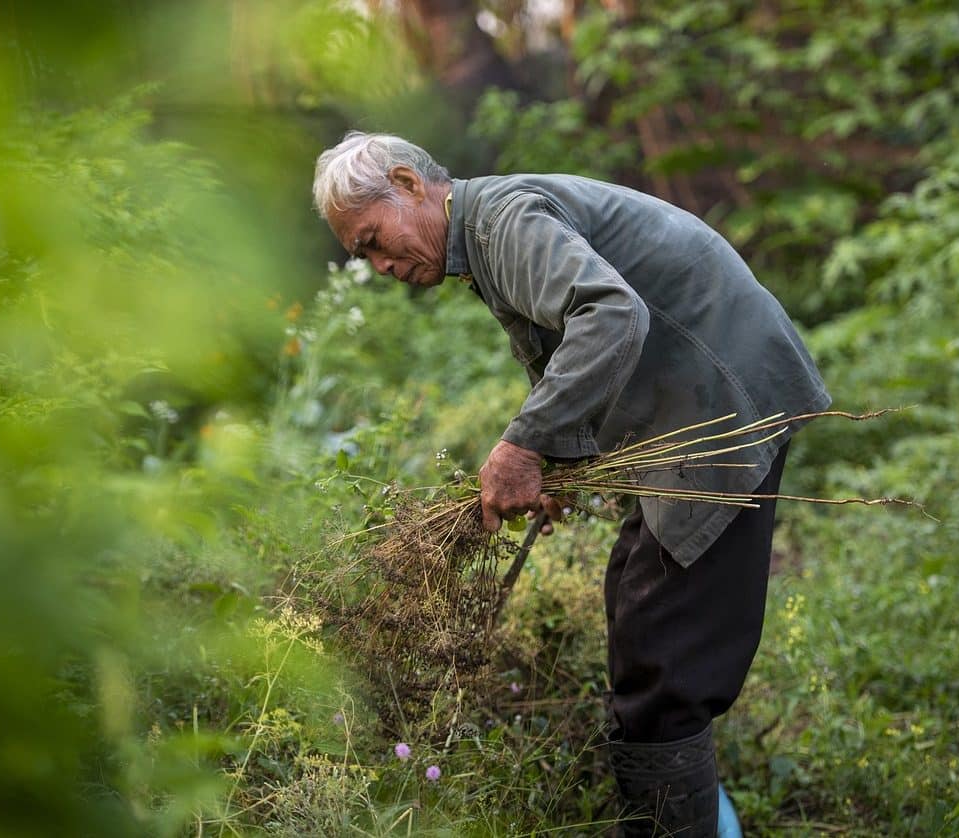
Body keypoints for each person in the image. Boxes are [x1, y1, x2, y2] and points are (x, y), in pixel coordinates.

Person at [311, 132, 830, 837]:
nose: (378, 265)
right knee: (635, 600)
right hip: (696, 402)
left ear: (407, 183)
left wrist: (524, 443)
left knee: (663, 651)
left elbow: (611, 314)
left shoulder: (502, 223)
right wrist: (562, 457)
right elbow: (575, 343)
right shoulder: (485, 238)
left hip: (718, 402)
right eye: (362, 255)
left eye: (373, 239)